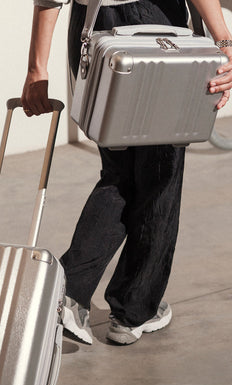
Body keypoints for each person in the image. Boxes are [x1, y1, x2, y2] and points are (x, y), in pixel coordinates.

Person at [22, 0, 232, 345]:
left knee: (120, 170)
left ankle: (70, 296)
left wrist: (37, 68)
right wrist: (224, 40)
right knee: (161, 173)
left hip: (93, 26)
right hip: (157, 24)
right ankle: (133, 309)